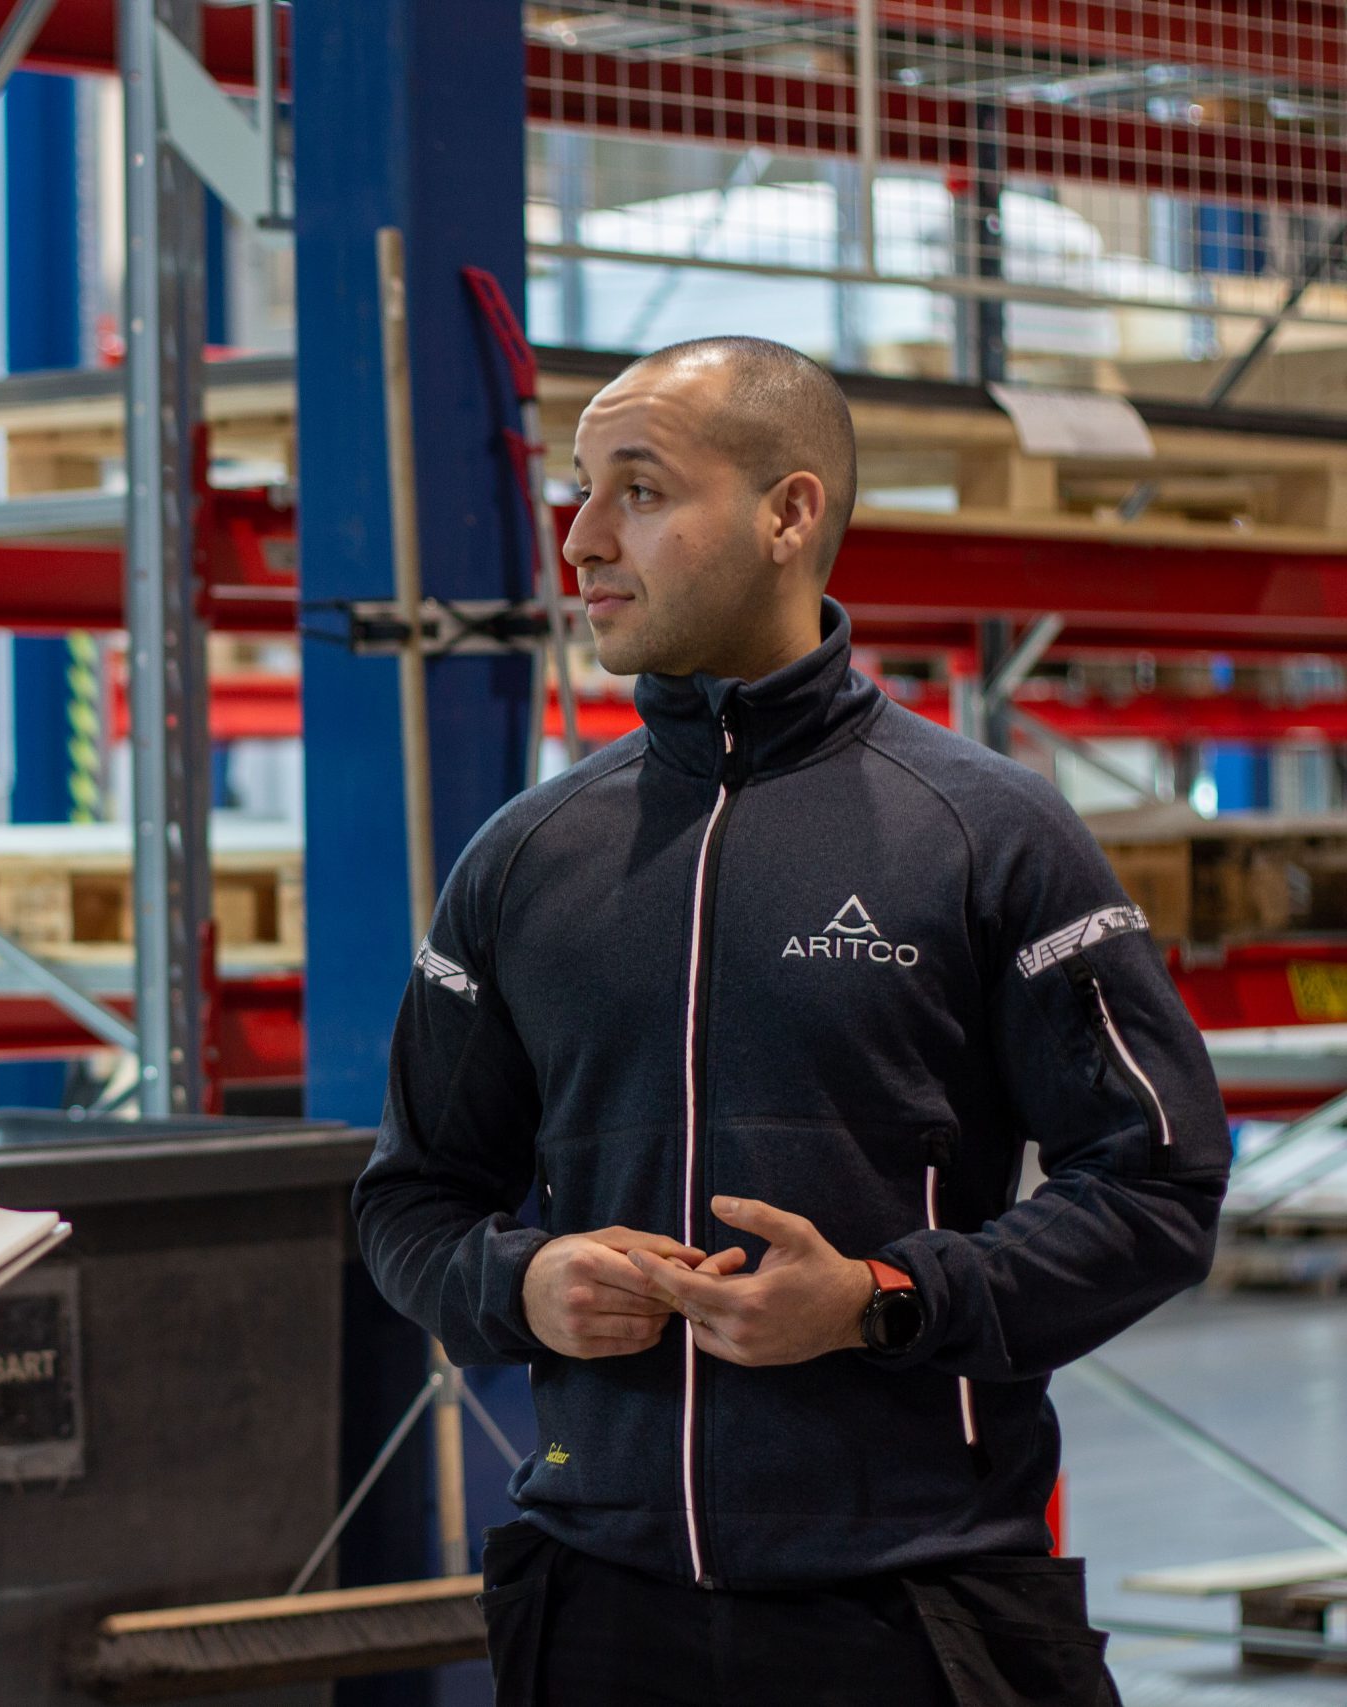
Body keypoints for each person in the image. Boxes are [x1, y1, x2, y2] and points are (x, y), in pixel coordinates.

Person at [353, 337, 1228, 1706]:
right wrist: (520, 1285)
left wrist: (882, 1303)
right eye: (575, 491)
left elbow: (1157, 1187)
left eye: (638, 489)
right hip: (600, 1614)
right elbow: (409, 1202)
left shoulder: (985, 833)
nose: (580, 539)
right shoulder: (524, 860)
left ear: (788, 513)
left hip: (913, 1613)